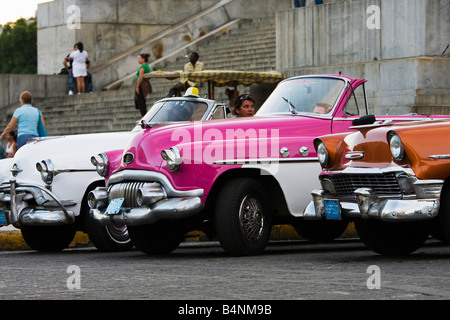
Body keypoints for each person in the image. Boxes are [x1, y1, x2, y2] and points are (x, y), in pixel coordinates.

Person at [134, 53, 152, 117]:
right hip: (144, 84)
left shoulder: (143, 67)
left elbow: (140, 77)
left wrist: (137, 87)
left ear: (143, 59)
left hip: (142, 84)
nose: (138, 60)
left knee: (141, 101)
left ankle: (143, 116)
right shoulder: (146, 66)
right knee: (141, 101)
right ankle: (143, 116)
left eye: (139, 58)